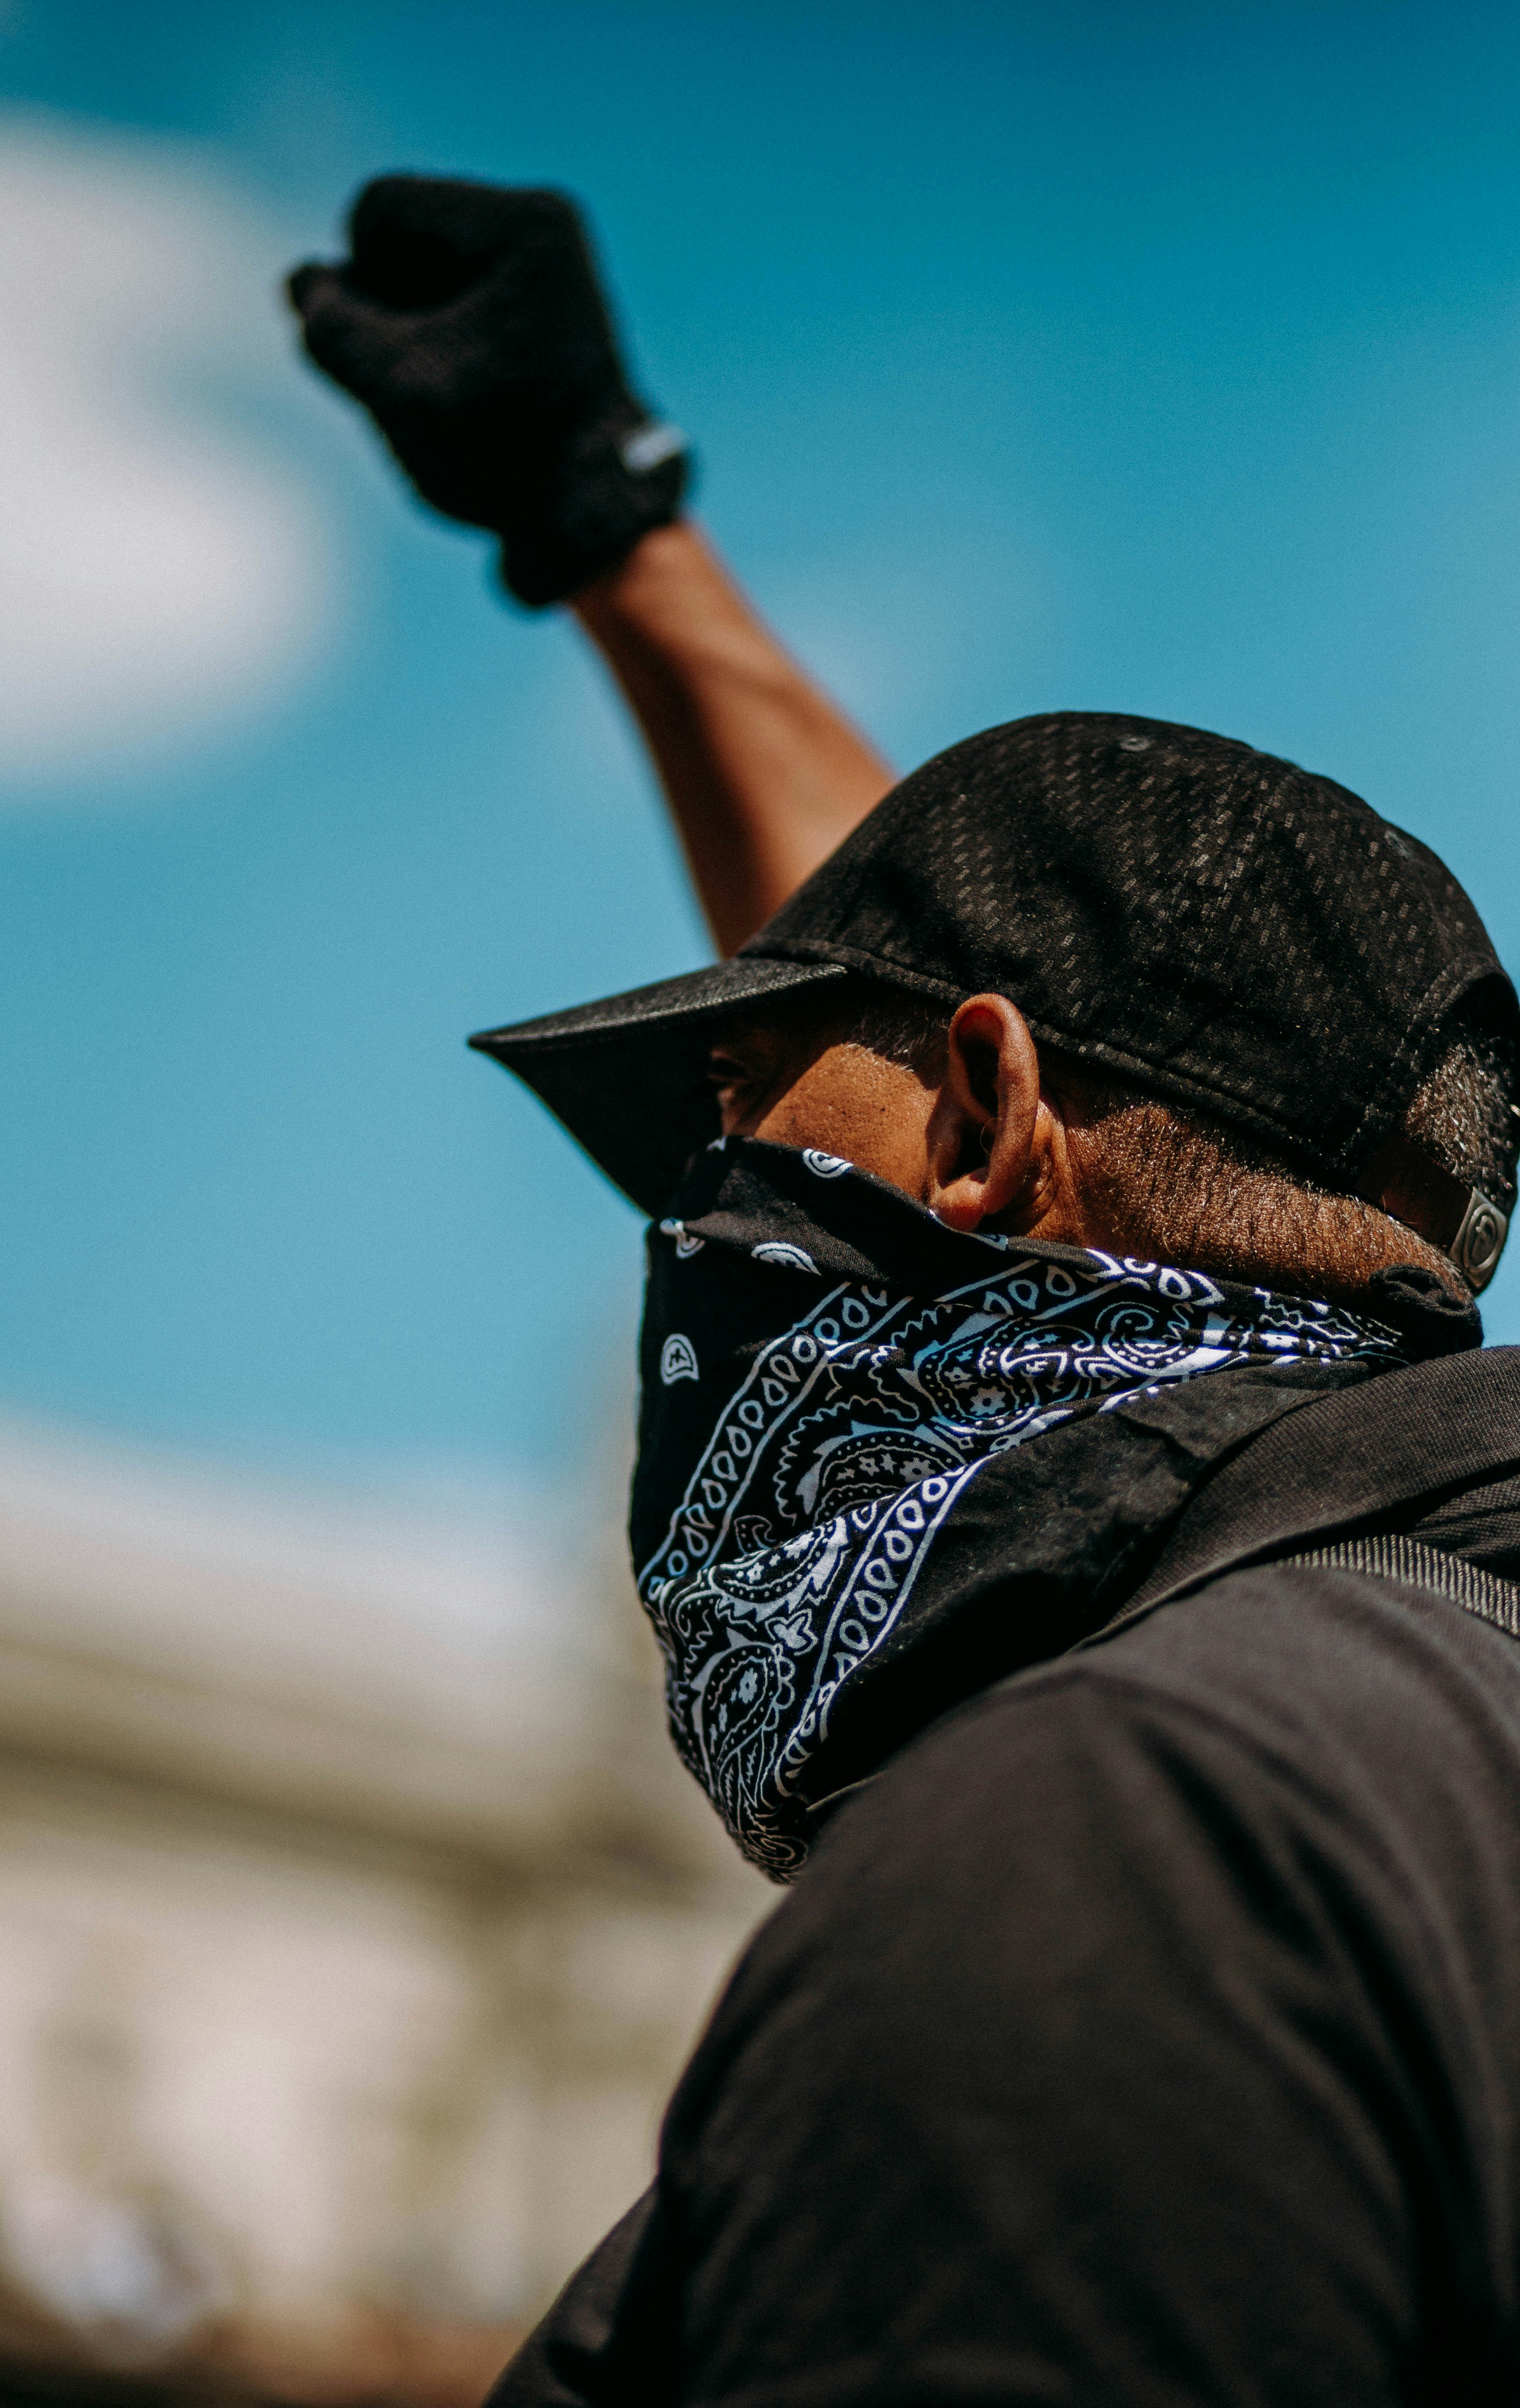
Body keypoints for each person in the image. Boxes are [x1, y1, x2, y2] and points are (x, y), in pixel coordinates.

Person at [289, 178, 1520, 2405]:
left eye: (748, 1126)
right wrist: (610, 531)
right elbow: (990, 1030)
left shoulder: (1125, 1864)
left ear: (974, 1125)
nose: (714, 1211)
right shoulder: (1416, 1702)